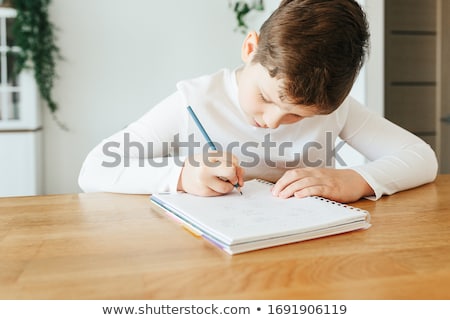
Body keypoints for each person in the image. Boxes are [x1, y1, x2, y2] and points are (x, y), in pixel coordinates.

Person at [78, 0, 437, 203]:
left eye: (298, 116)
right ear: (251, 49)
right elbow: (94, 169)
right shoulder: (197, 100)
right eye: (266, 97)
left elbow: (421, 158)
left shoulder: (336, 110)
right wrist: (183, 176)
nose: (273, 121)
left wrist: (357, 180)